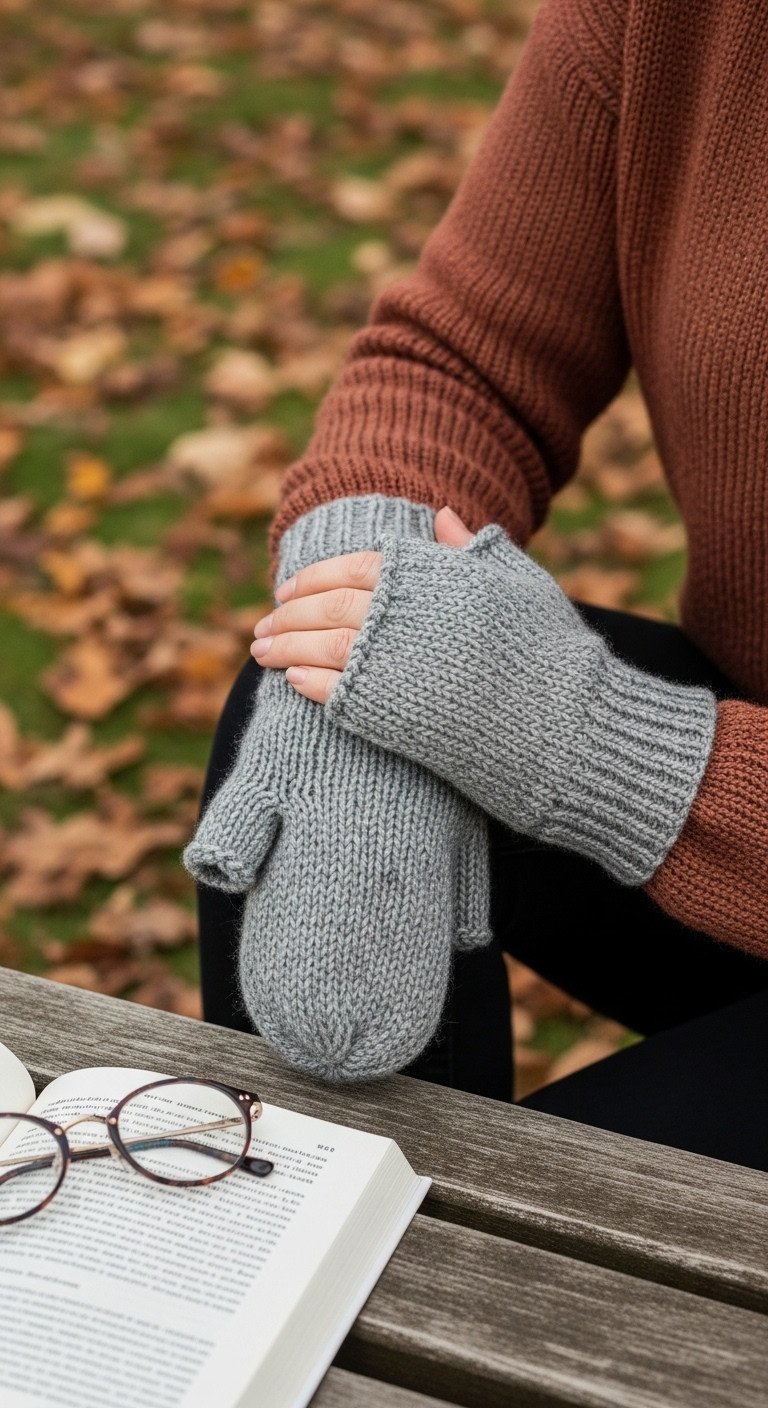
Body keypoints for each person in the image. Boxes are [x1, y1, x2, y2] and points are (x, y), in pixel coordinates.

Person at [184, 0, 768, 1172]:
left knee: (512, 1248)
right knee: (306, 696)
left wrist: (609, 743)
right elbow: (466, 363)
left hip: (708, 788)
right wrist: (362, 660)